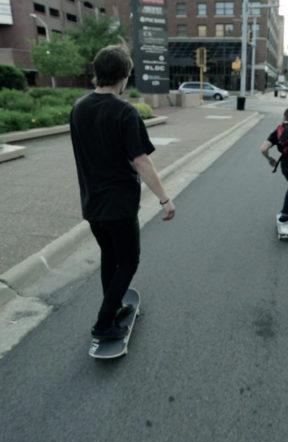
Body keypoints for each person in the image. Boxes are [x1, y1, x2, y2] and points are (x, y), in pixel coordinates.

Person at [70, 45, 175, 341]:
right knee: (128, 261)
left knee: (110, 257)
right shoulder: (125, 112)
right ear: (124, 76)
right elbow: (141, 160)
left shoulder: (78, 108)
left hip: (92, 203)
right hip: (119, 205)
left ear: (97, 72)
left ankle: (114, 308)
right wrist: (165, 199)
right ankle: (103, 324)